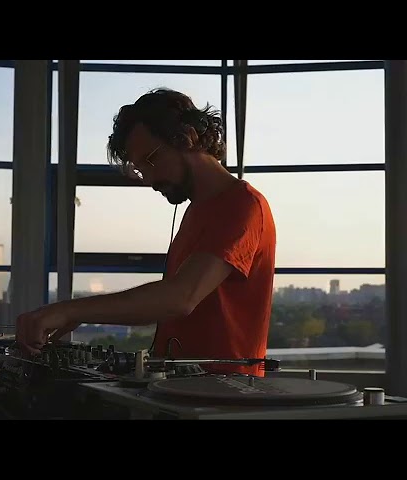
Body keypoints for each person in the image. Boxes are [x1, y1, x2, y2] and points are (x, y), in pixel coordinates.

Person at [15, 88, 276, 376]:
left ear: (187, 137)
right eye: (140, 169)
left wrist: (69, 310)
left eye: (151, 160)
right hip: (186, 388)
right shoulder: (198, 210)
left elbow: (180, 298)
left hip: (225, 393)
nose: (149, 179)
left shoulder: (242, 205)